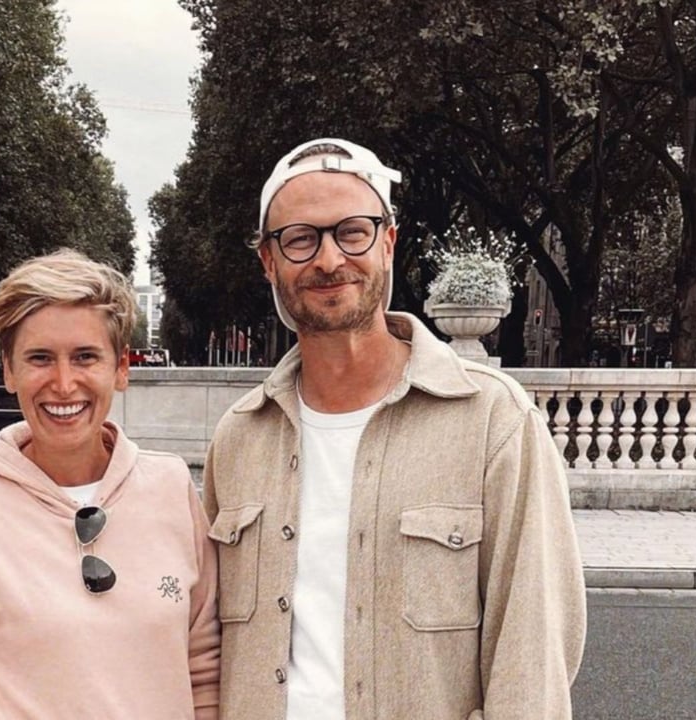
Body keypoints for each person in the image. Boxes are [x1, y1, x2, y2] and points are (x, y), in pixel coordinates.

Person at [203, 139, 586, 719]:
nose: (328, 259)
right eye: (300, 239)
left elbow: (533, 657)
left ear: (388, 242)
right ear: (269, 261)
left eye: (352, 232)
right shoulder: (238, 439)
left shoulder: (492, 421)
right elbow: (203, 646)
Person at [0, 249, 220, 719]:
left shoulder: (172, 488)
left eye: (85, 357)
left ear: (120, 369)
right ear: (9, 371)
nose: (64, 384)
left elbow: (204, 668)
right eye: (40, 358)